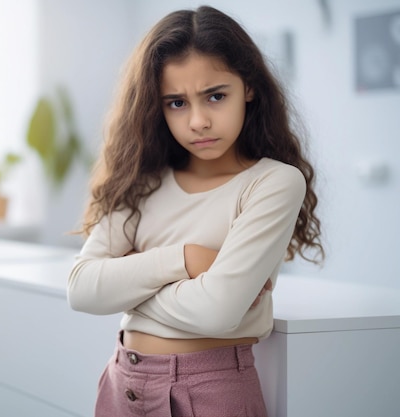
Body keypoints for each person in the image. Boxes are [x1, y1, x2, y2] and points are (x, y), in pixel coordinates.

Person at [67, 5, 325, 417]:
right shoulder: (142, 180)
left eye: (216, 96)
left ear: (250, 88)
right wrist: (183, 260)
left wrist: (127, 285)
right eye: (176, 103)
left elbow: (217, 311)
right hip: (121, 384)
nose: (198, 121)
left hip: (211, 392)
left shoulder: (272, 183)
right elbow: (81, 289)